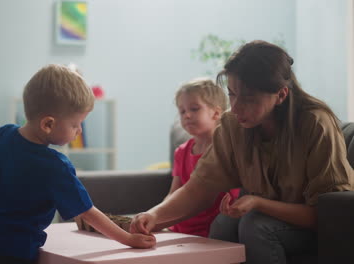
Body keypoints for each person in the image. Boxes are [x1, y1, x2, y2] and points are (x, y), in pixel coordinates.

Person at [130, 40, 354, 264]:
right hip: (265, 218)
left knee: (256, 225)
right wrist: (154, 215)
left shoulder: (316, 124)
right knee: (223, 223)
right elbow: (199, 188)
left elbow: (327, 214)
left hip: (322, 227)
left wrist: (258, 202)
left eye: (248, 98)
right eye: (231, 94)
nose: (235, 107)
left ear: (281, 95)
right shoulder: (233, 125)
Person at [0, 64, 156, 264]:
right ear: (48, 124)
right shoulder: (55, 165)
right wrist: (127, 239)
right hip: (16, 252)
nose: (79, 131)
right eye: (76, 124)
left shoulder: (2, 134)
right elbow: (87, 212)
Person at [166, 78, 239, 237]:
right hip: (179, 228)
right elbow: (173, 193)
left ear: (216, 113)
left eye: (194, 108)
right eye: (182, 111)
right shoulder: (181, 152)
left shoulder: (226, 149)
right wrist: (155, 218)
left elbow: (233, 195)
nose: (187, 115)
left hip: (213, 228)